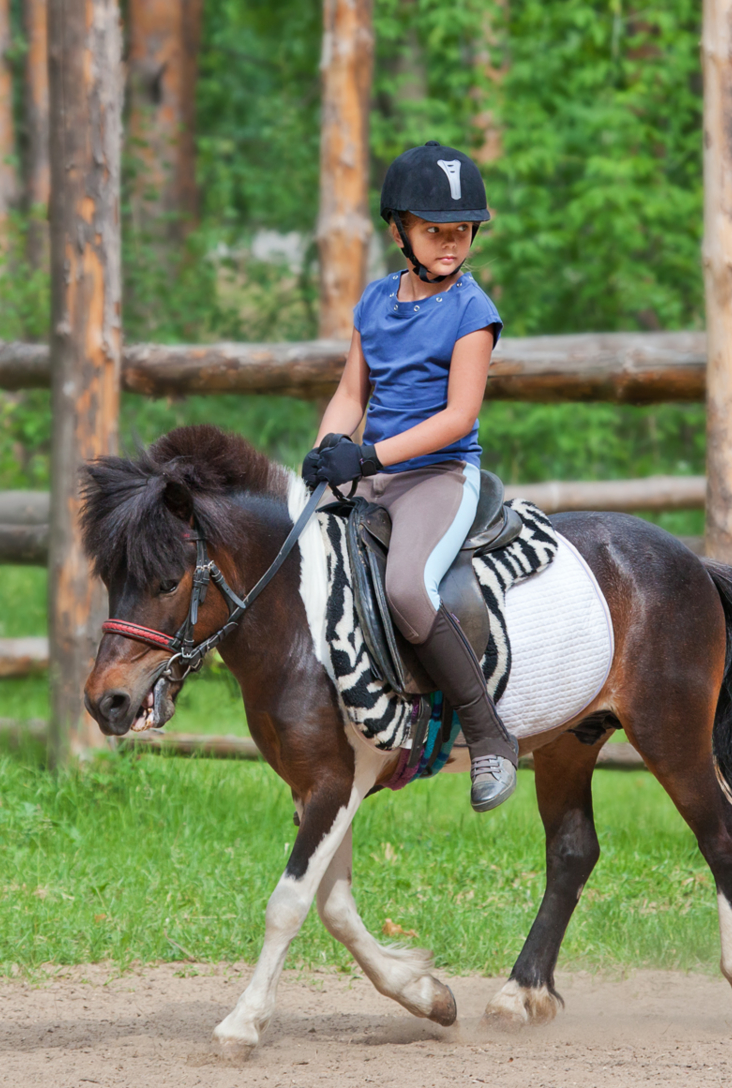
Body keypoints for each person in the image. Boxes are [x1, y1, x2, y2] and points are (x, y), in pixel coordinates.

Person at [301, 141, 517, 812]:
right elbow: (350, 393)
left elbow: (459, 417)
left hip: (439, 476)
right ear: (401, 231)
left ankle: (488, 736)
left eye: (461, 231)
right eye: (435, 230)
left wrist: (366, 459)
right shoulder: (374, 302)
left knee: (406, 587)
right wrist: (327, 450)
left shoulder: (472, 313)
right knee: (303, 556)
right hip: (375, 471)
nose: (451, 243)